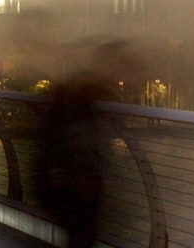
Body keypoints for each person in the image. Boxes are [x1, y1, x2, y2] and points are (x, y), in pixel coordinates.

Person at [37, 41, 135, 248]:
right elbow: (80, 136)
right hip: (75, 181)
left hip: (71, 179)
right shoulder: (87, 90)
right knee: (82, 235)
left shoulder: (77, 87)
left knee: (80, 235)